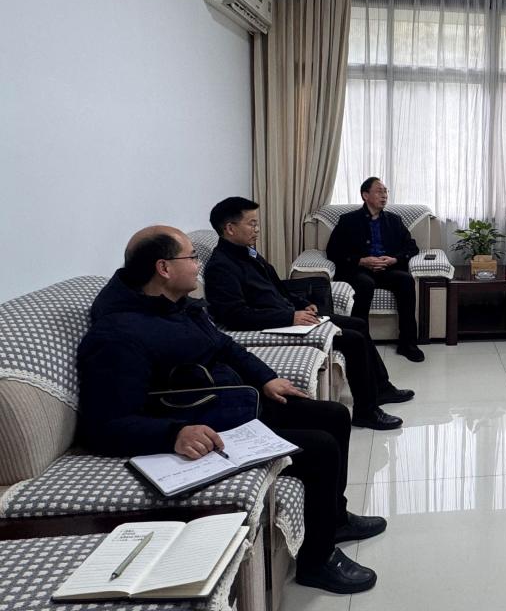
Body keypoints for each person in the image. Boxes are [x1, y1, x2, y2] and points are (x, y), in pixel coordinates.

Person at [76, 226, 384, 594]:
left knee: (334, 415)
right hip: (205, 427)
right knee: (320, 448)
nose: (198, 266)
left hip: (231, 402)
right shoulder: (118, 334)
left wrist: (267, 378)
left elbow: (225, 346)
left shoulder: (175, 306)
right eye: (192, 257)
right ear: (164, 268)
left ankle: (335, 519)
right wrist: (174, 433)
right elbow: (104, 424)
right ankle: (317, 561)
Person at [203, 197, 414, 431]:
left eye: (257, 223)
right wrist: (290, 318)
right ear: (230, 228)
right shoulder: (221, 266)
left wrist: (303, 303)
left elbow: (278, 288)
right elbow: (234, 316)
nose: (257, 229)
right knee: (353, 339)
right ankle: (366, 411)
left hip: (288, 316)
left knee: (358, 324)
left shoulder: (246, 253)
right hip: (276, 325)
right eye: (251, 224)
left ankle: (381, 388)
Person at [326, 178, 425, 362]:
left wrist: (394, 259)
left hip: (387, 269)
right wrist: (361, 261)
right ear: (365, 195)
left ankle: (408, 343)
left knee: (406, 280)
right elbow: (333, 251)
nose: (384, 195)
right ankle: (361, 342)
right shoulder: (348, 220)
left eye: (385, 191)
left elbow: (412, 247)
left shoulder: (394, 220)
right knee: (365, 283)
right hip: (359, 270)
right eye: (379, 191)